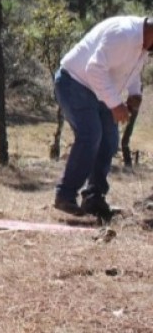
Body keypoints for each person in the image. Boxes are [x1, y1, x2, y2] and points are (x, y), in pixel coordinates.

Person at [53, 16, 150, 220]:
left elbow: (131, 72)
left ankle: (94, 198)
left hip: (97, 89)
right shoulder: (123, 34)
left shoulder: (142, 43)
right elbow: (94, 68)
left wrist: (134, 93)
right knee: (91, 135)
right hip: (74, 81)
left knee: (109, 141)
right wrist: (115, 104)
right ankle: (65, 195)